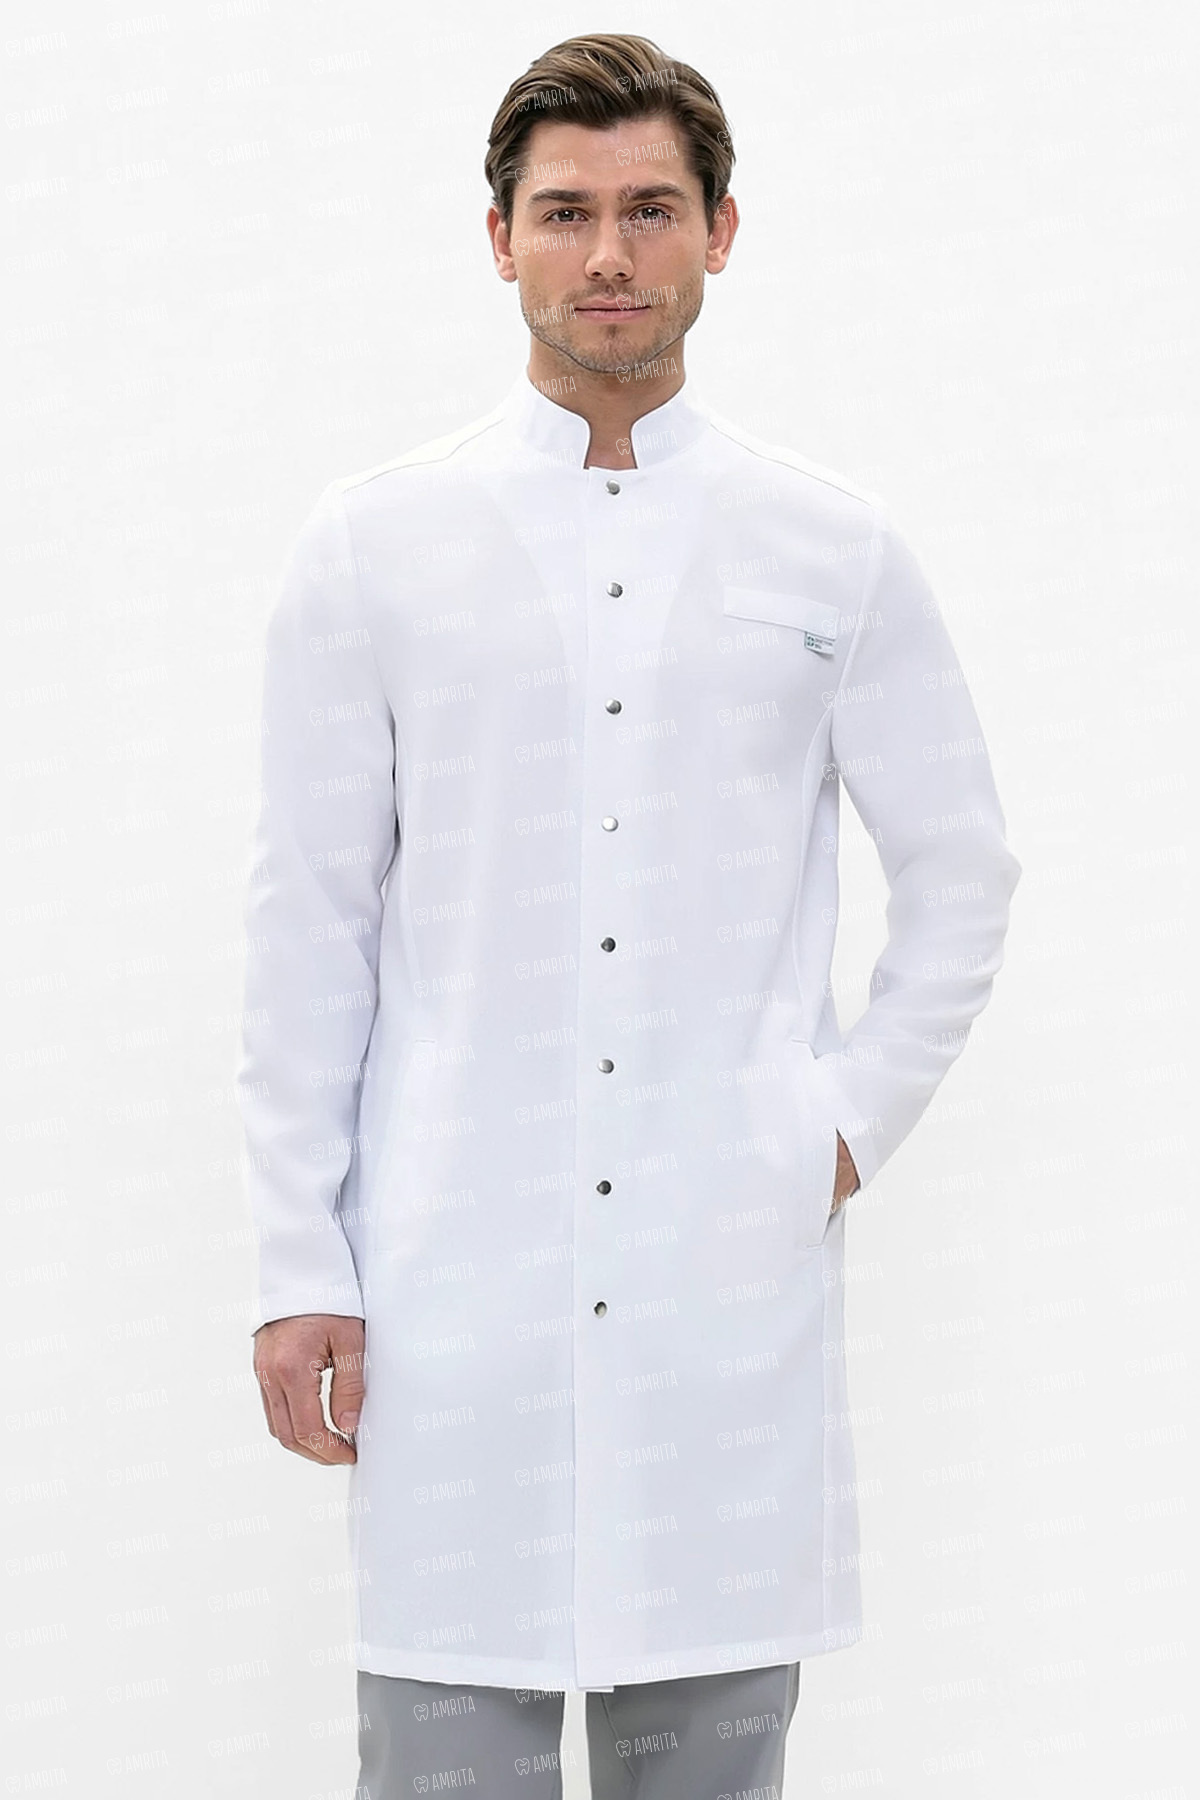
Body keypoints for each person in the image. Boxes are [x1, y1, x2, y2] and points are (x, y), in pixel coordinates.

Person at [236, 32, 1021, 1798]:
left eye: (652, 209)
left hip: (717, 1303)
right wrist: (300, 1264)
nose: (609, 254)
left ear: (720, 233)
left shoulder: (828, 547)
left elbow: (963, 868)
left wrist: (835, 1126)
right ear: (498, 237)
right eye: (567, 211)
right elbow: (308, 927)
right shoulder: (377, 547)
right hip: (455, 1290)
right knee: (440, 1759)